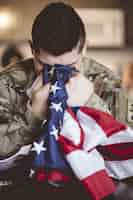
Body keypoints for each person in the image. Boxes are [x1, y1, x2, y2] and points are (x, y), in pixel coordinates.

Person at [0, 2, 132, 200]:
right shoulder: (7, 82)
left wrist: (91, 102)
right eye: (44, 66)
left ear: (84, 48)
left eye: (70, 66)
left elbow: (126, 152)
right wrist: (32, 117)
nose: (55, 75)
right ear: (32, 49)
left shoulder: (107, 81)